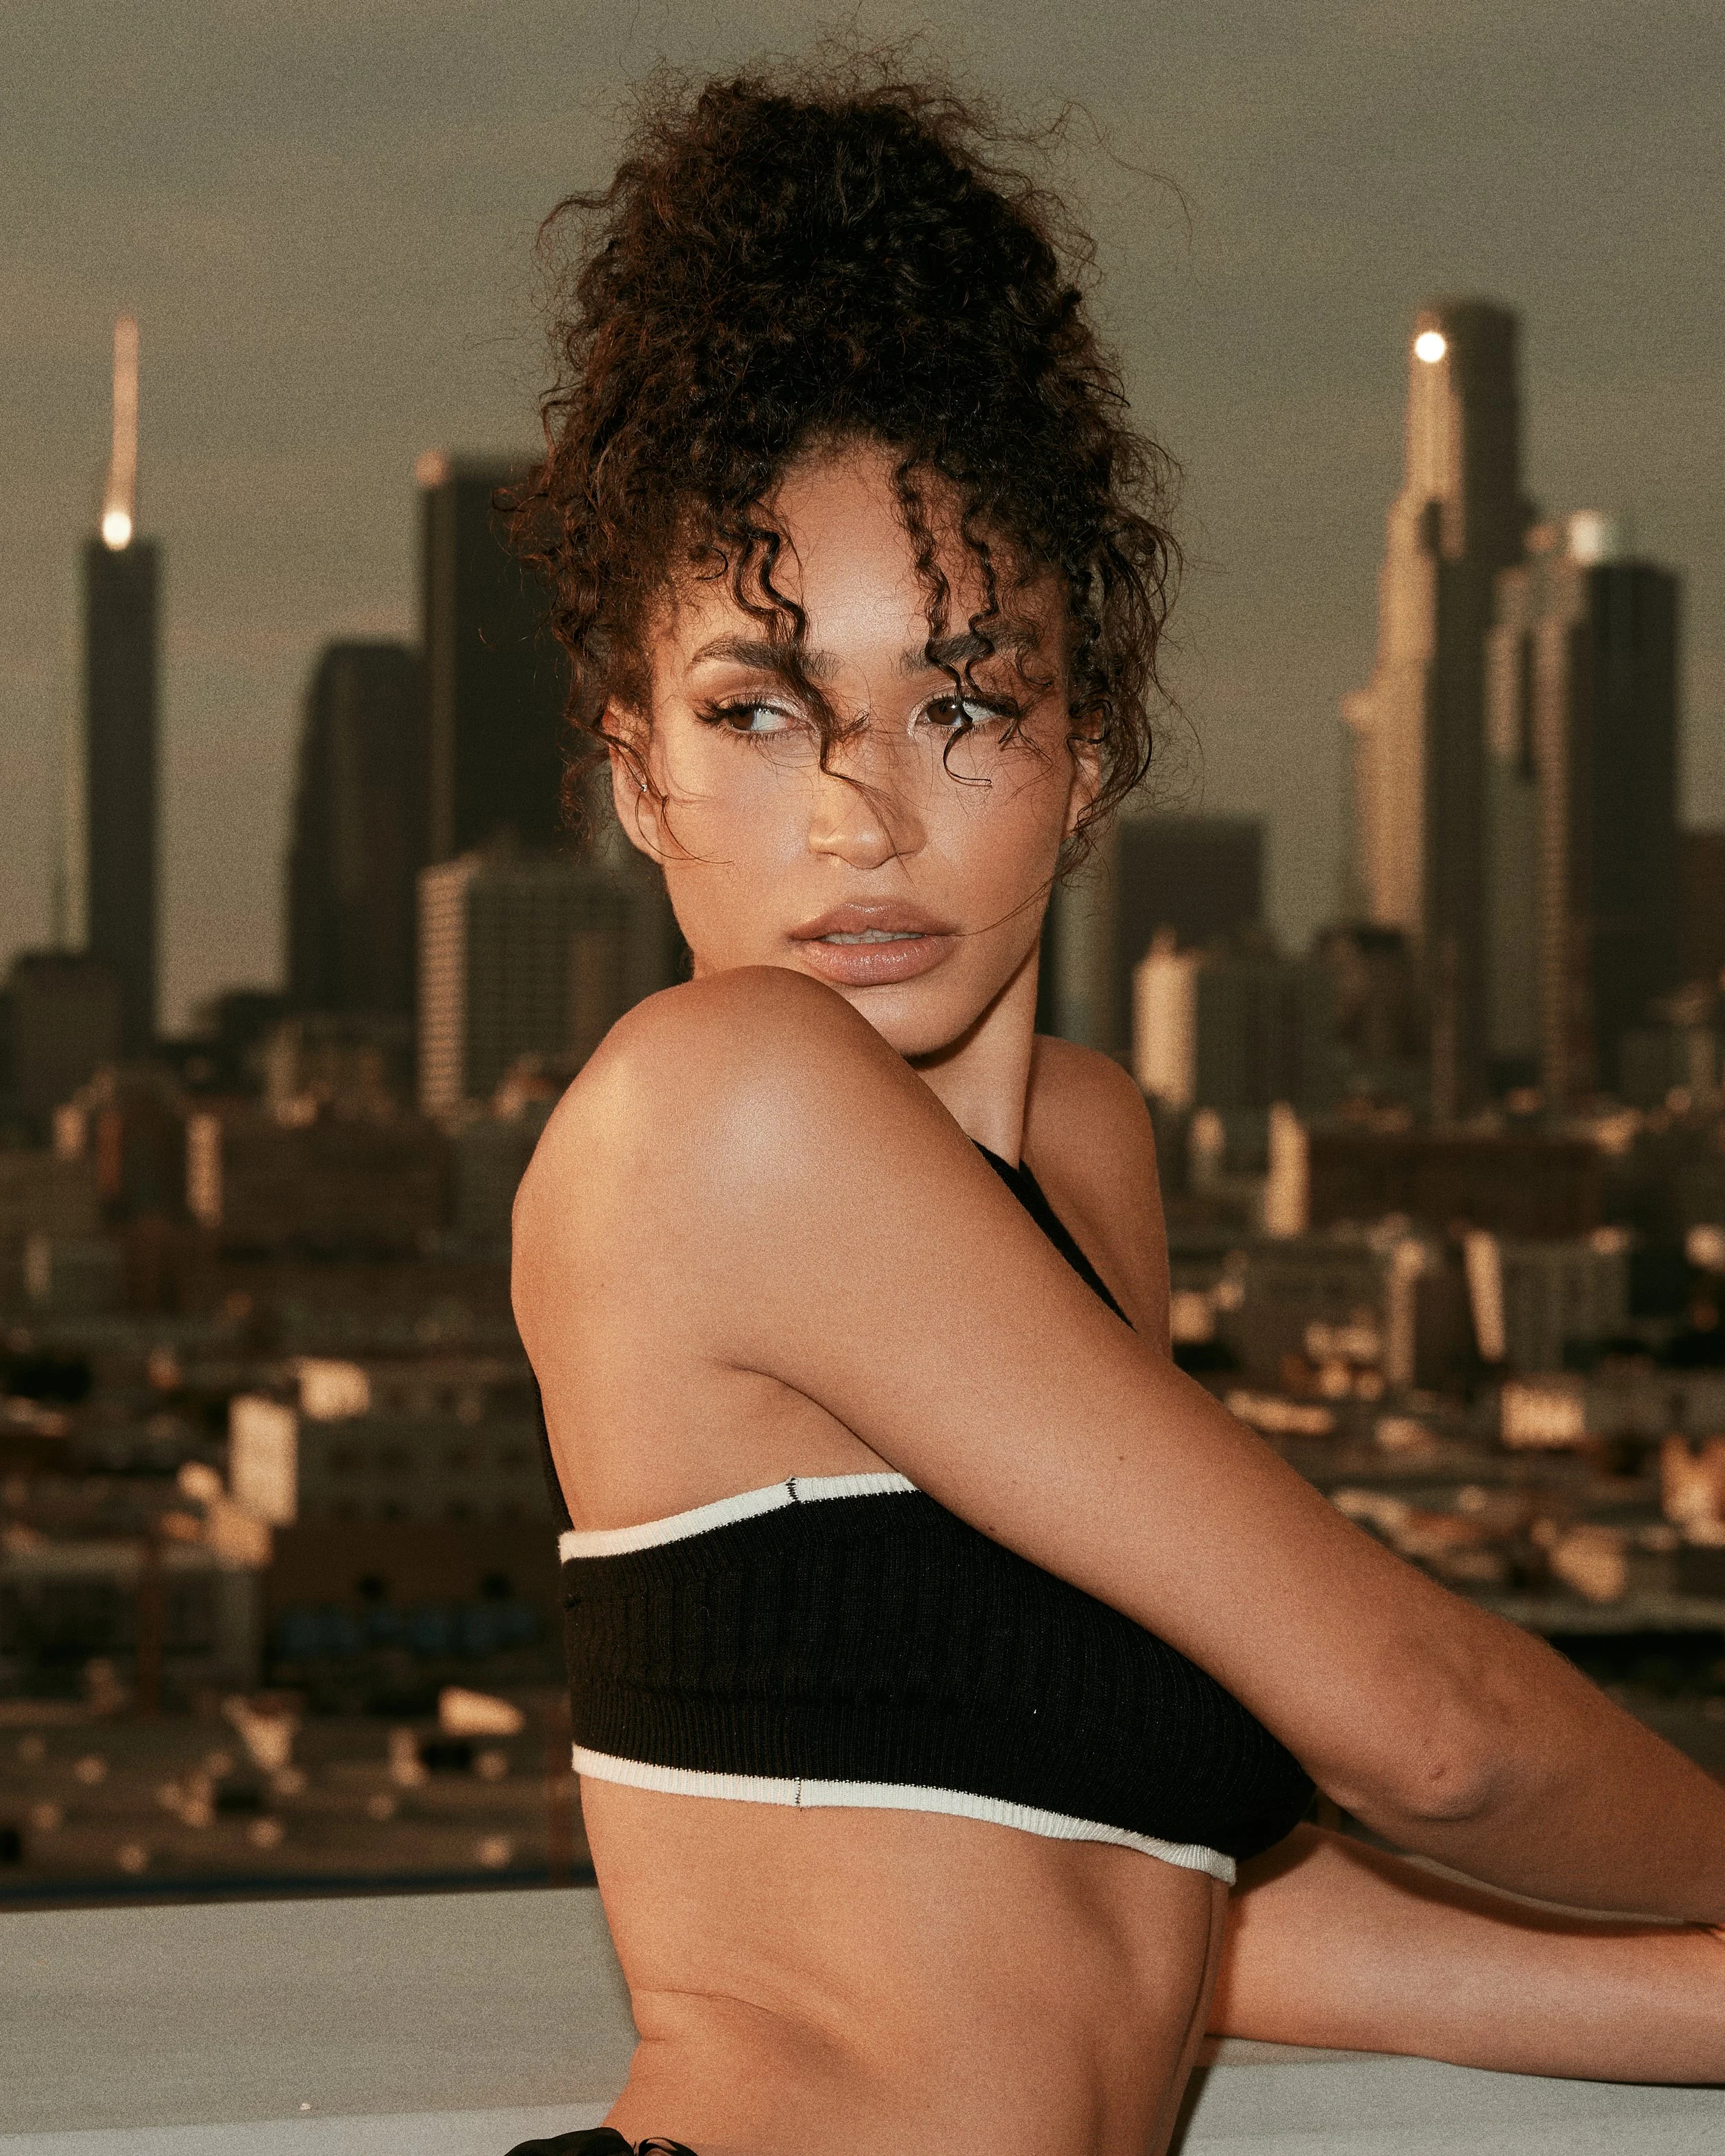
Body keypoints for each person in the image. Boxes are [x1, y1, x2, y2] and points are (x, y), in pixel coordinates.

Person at [504, 59, 1725, 2156]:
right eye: (762, 711)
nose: (864, 816)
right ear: (637, 771)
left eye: (965, 702)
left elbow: (1158, 1907)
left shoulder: (1080, 1151)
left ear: (1088, 756)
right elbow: (1430, 1739)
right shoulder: (725, 1104)